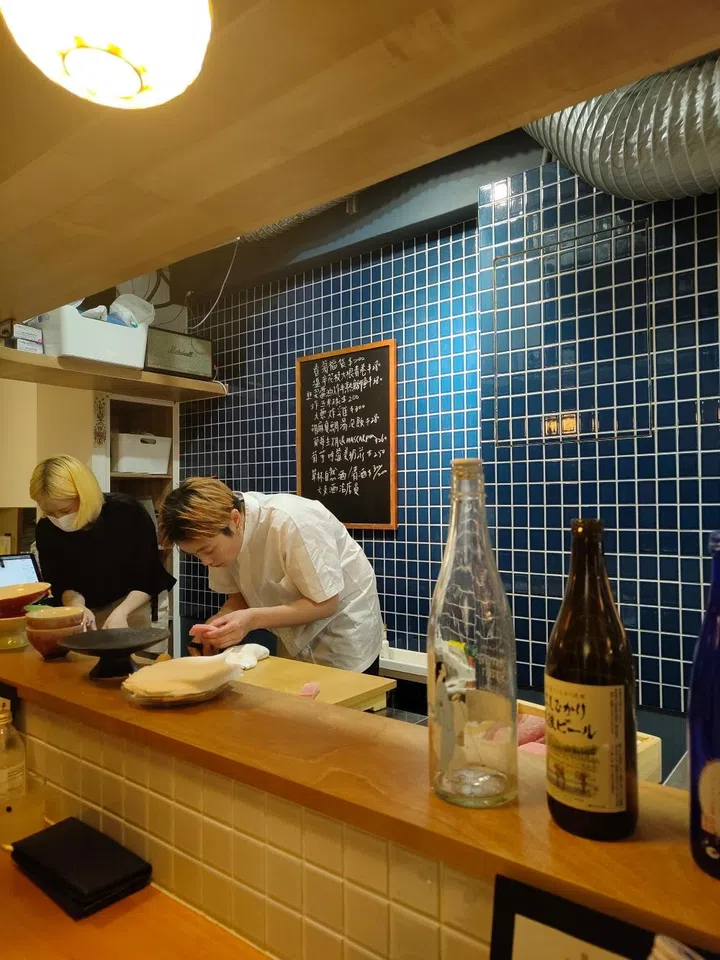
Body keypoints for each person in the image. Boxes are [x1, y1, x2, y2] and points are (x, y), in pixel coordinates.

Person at [158, 477, 384, 673]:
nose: (206, 561)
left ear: (235, 520)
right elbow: (237, 600)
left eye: (207, 551)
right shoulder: (214, 533)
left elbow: (326, 604)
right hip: (292, 632)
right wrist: (214, 628)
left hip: (343, 629)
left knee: (344, 714)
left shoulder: (293, 520)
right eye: (196, 555)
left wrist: (251, 620)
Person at [30, 456, 175, 632]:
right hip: (89, 608)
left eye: (65, 510)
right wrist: (78, 607)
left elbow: (148, 575)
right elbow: (61, 583)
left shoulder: (125, 512)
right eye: (49, 512)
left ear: (84, 496)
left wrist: (122, 612)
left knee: (140, 658)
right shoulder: (46, 530)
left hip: (135, 602)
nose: (59, 519)